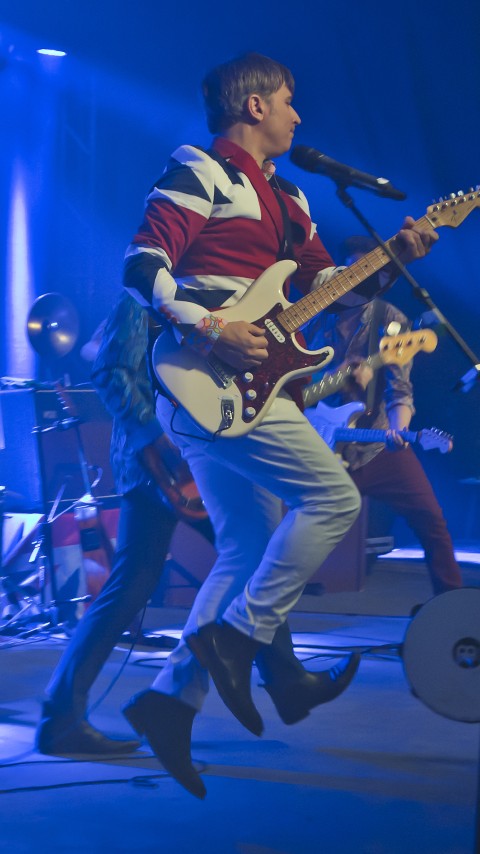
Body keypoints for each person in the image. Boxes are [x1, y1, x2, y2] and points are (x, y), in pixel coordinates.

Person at [119, 52, 438, 798]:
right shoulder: (200, 169)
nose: (299, 115)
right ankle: (239, 640)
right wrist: (209, 327)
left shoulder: (290, 197)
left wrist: (393, 259)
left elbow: (331, 289)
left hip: (243, 395)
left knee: (247, 545)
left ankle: (169, 702)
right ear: (255, 106)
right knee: (334, 499)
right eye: (289, 101)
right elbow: (141, 265)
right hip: (201, 372)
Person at [35, 291, 359, 756]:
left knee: (252, 555)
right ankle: (63, 715)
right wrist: (155, 439)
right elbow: (108, 369)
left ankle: (284, 679)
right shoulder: (150, 292)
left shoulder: (221, 298)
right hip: (158, 464)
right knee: (220, 563)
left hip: (196, 456)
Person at [303, 234, 462, 596]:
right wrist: (329, 377)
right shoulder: (313, 314)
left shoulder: (390, 320)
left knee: (431, 519)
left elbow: (400, 391)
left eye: (370, 272)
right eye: (354, 272)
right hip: (314, 443)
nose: (362, 280)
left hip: (373, 444)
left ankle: (452, 606)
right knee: (288, 524)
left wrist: (398, 430)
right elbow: (284, 379)